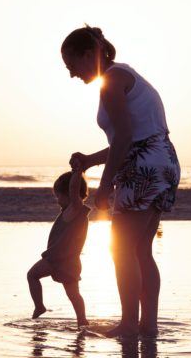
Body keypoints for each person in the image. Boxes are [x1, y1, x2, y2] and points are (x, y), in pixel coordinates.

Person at [63, 25, 180, 339]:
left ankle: (129, 325)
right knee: (141, 250)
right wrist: (90, 160)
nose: (72, 73)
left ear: (89, 54)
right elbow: (130, 137)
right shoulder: (124, 76)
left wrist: (103, 187)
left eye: (72, 64)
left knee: (122, 249)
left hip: (142, 167)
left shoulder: (112, 81)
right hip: (162, 162)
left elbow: (126, 139)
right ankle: (147, 325)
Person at [26, 169, 90, 328]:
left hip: (59, 259)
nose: (57, 200)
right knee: (73, 294)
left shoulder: (76, 209)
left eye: (59, 196)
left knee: (33, 275)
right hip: (62, 260)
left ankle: (81, 320)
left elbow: (74, 189)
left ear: (70, 194)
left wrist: (77, 172)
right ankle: (80, 319)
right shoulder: (69, 211)